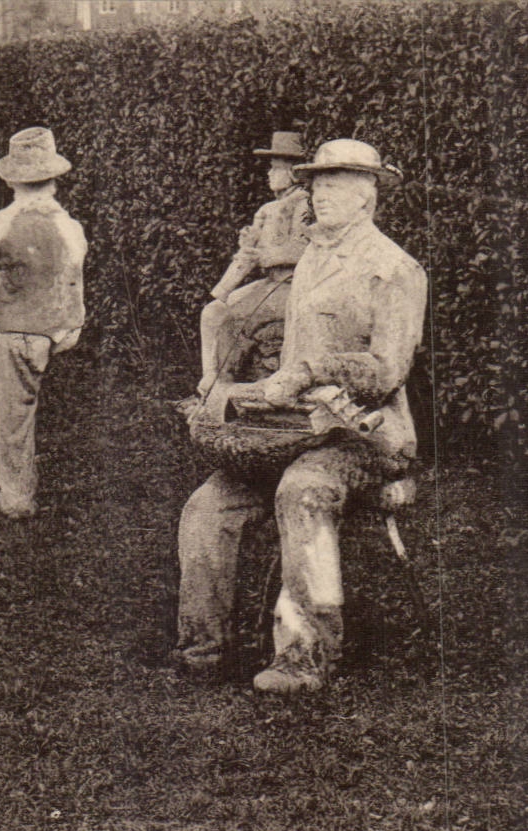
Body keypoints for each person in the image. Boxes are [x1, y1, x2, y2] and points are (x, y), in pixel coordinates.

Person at [175, 139, 426, 695]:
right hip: (291, 429)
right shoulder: (312, 255)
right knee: (206, 506)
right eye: (316, 183)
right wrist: (248, 378)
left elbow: (387, 369)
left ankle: (305, 655)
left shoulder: (395, 269)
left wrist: (313, 369)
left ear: (368, 197)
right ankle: (202, 645)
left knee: (302, 492)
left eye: (335, 185)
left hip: (366, 437)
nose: (319, 193)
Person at [0, 127, 86, 520]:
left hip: (16, 333)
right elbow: (74, 276)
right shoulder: (70, 226)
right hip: (57, 331)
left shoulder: (1, 224)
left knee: (13, 416)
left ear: (13, 179)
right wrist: (72, 325)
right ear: (52, 179)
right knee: (45, 411)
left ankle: (16, 498)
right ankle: (39, 485)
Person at [195, 131, 311, 396]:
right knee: (213, 312)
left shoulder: (305, 204)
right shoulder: (267, 209)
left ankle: (227, 383)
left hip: (292, 282)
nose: (269, 174)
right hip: (271, 281)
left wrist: (265, 255)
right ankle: (210, 378)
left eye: (275, 168)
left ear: (292, 172)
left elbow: (304, 249)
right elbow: (248, 256)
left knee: (237, 318)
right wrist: (223, 289)